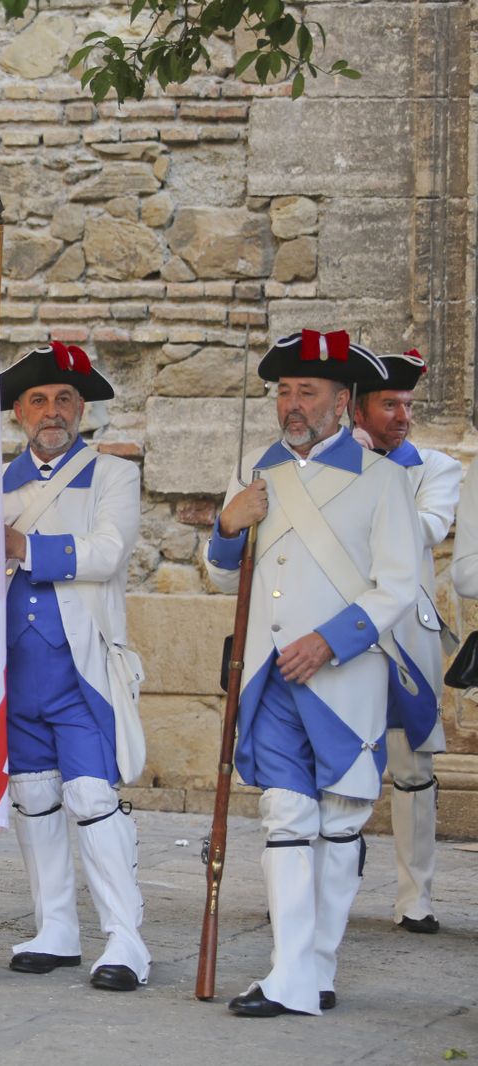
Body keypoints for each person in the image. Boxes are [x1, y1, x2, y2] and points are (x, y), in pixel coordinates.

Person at [205, 330, 418, 1016]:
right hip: (267, 675)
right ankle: (291, 973)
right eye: (285, 392)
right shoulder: (253, 466)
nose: (293, 405)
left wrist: (329, 642)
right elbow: (219, 571)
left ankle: (316, 966)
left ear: (343, 402)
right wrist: (228, 527)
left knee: (341, 820)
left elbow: (398, 587)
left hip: (342, 678)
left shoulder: (384, 482)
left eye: (309, 392)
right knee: (285, 815)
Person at [0, 342, 148, 992]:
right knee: (33, 798)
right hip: (15, 671)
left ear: (82, 409)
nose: (51, 411)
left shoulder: (112, 475)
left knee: (92, 797)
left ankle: (125, 938)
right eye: (38, 400)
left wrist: (23, 546)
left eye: (64, 399)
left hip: (80, 671)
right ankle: (55, 926)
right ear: (18, 414)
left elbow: (108, 551)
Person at [348, 348, 460, 934]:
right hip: (341, 628)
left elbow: (423, 530)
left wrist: (368, 478)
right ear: (358, 410)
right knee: (337, 758)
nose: (402, 416)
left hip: (405, 636)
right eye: (389, 404)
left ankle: (416, 895)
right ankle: (332, 874)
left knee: (412, 765)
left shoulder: (436, 469)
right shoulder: (328, 464)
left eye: (408, 405)